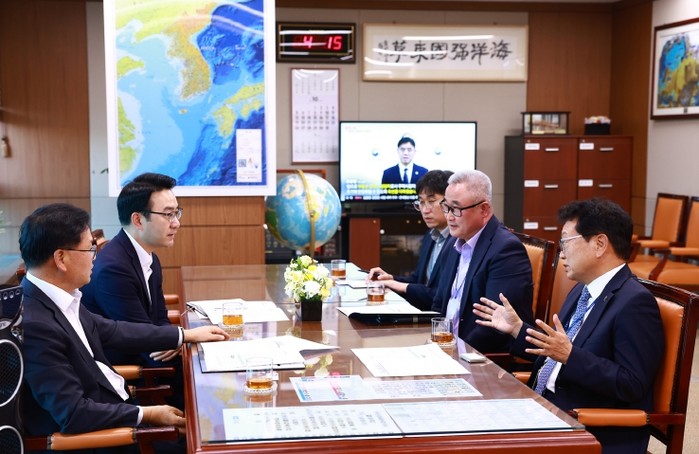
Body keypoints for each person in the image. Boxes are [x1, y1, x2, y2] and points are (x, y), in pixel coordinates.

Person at [19, 203, 229, 452]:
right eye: (90, 249)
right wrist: (148, 414)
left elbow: (114, 330)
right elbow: (73, 413)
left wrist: (184, 334)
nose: (95, 257)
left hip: (120, 412)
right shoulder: (35, 324)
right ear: (61, 258)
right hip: (104, 439)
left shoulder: (58, 297)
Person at [473, 198, 664, 454]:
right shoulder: (581, 290)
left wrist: (570, 356)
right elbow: (556, 350)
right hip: (544, 410)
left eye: (566, 242)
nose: (561, 252)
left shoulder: (635, 302)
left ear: (599, 244)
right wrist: (518, 329)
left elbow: (632, 384)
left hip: (587, 429)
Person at [80, 172, 185, 409]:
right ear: (138, 220)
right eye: (168, 214)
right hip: (122, 373)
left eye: (176, 213)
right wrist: (179, 339)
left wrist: (173, 339)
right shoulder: (113, 268)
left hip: (147, 354)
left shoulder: (149, 257)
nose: (176, 223)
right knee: (199, 373)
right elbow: (141, 339)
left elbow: (159, 319)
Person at [431, 169, 534, 353]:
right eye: (446, 207)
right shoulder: (453, 242)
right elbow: (439, 304)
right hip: (447, 347)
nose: (449, 216)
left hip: (481, 357)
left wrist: (457, 352)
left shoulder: (506, 250)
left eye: (456, 209)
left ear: (484, 209)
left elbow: (493, 326)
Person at [368, 170, 454, 310]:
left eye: (431, 201)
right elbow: (418, 280)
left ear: (450, 202)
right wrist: (391, 279)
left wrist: (401, 286)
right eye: (421, 202)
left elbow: (444, 296)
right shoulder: (430, 236)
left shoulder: (459, 241)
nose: (425, 210)